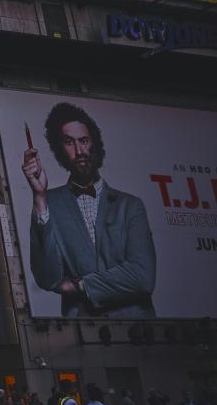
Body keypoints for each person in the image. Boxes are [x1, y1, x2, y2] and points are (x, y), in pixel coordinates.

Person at [23, 102, 156, 318]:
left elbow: (143, 277)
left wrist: (81, 285)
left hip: (139, 334)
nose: (79, 151)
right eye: (69, 143)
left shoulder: (130, 206)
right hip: (82, 334)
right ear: (59, 150)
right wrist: (39, 196)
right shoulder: (49, 203)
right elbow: (48, 278)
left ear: (94, 142)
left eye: (84, 141)